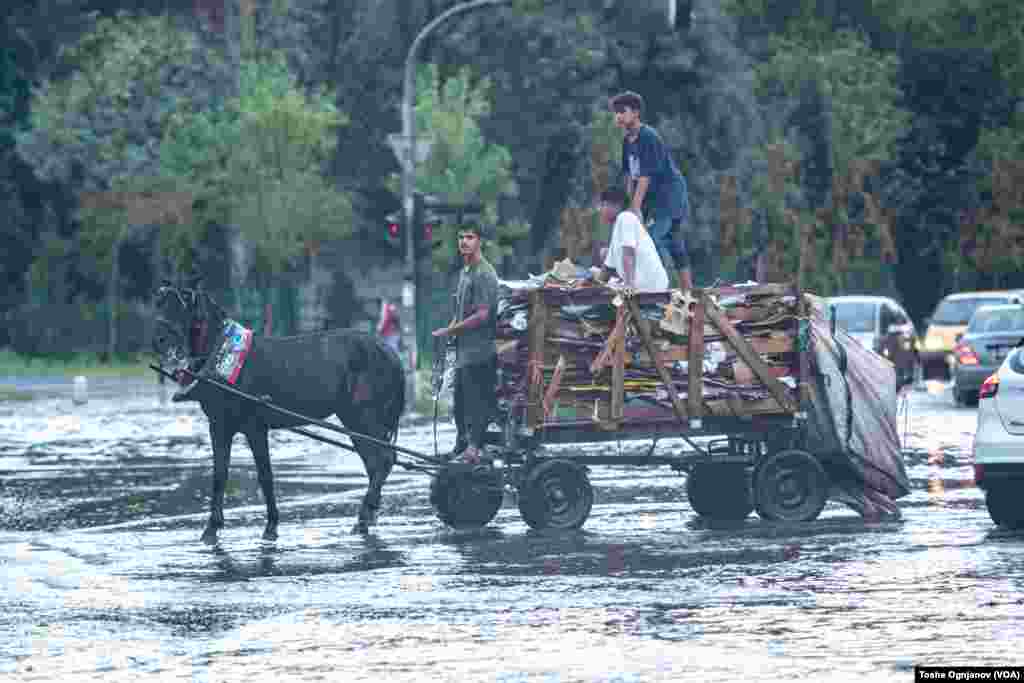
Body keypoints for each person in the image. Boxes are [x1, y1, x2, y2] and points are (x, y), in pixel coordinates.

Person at [610, 90, 694, 291]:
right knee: (674, 241)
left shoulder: (648, 137)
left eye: (623, 111)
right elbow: (630, 176)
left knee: (651, 241)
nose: (618, 116)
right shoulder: (627, 141)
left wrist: (636, 208)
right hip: (653, 199)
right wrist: (629, 207)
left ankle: (656, 291)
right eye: (616, 112)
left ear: (636, 113)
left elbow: (646, 176)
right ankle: (688, 290)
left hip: (668, 196)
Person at [431, 225, 499, 464]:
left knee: (476, 402)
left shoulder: (484, 273)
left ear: (479, 241)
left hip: (481, 352)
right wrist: (449, 333)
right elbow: (459, 313)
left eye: (470, 237)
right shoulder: (465, 272)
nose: (464, 241)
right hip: (463, 352)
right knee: (459, 403)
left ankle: (473, 448)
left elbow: (482, 315)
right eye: (460, 237)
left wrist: (451, 330)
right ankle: (462, 444)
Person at [592, 187, 669, 291]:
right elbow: (606, 271)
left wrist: (629, 286)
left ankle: (628, 289)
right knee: (601, 257)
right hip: (640, 284)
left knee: (619, 294)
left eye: (602, 205)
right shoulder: (617, 227)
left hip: (650, 284)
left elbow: (629, 254)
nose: (599, 210)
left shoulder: (625, 217)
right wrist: (590, 284)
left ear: (616, 205)